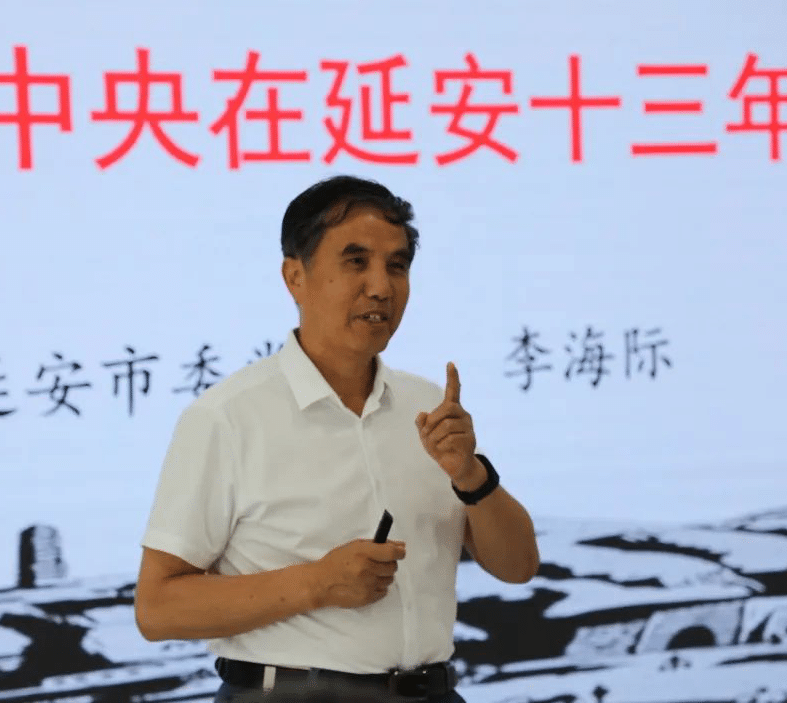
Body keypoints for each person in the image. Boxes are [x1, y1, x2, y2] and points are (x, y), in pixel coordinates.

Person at [134, 175, 539, 703]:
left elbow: (519, 566)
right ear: (295, 276)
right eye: (356, 262)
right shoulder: (227, 417)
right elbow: (157, 608)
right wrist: (317, 584)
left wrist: (471, 476)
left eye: (397, 265)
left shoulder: (428, 407)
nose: (381, 286)